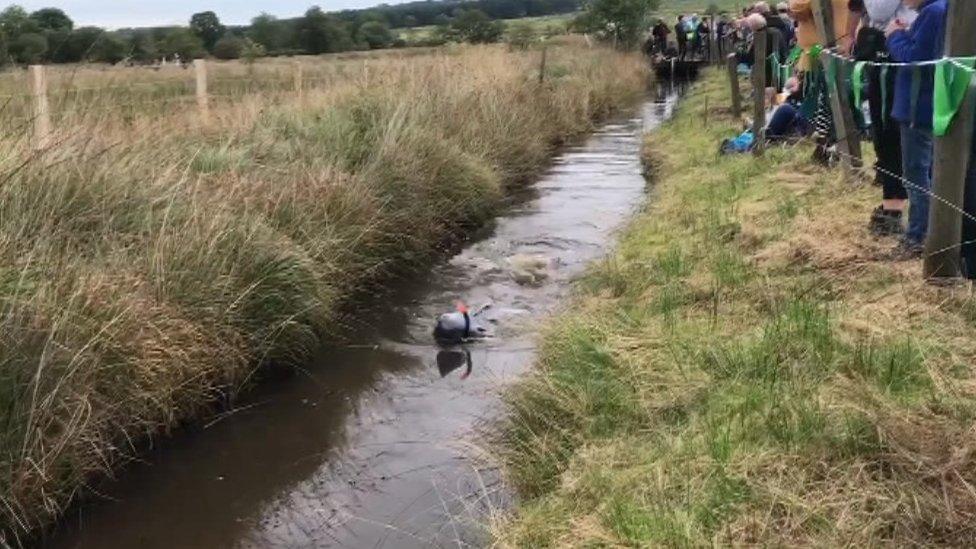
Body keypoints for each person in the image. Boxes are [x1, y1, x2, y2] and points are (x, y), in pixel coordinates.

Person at [849, 0, 917, 235]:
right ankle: (898, 203)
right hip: (896, 50)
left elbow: (879, 10)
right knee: (894, 134)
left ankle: (894, 207)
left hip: (894, 54)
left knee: (889, 133)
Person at [886, 0, 947, 257]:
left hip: (918, 107)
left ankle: (918, 236)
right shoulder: (938, 10)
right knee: (927, 171)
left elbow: (915, 58)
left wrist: (894, 35)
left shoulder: (934, 13)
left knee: (916, 174)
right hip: (926, 105)